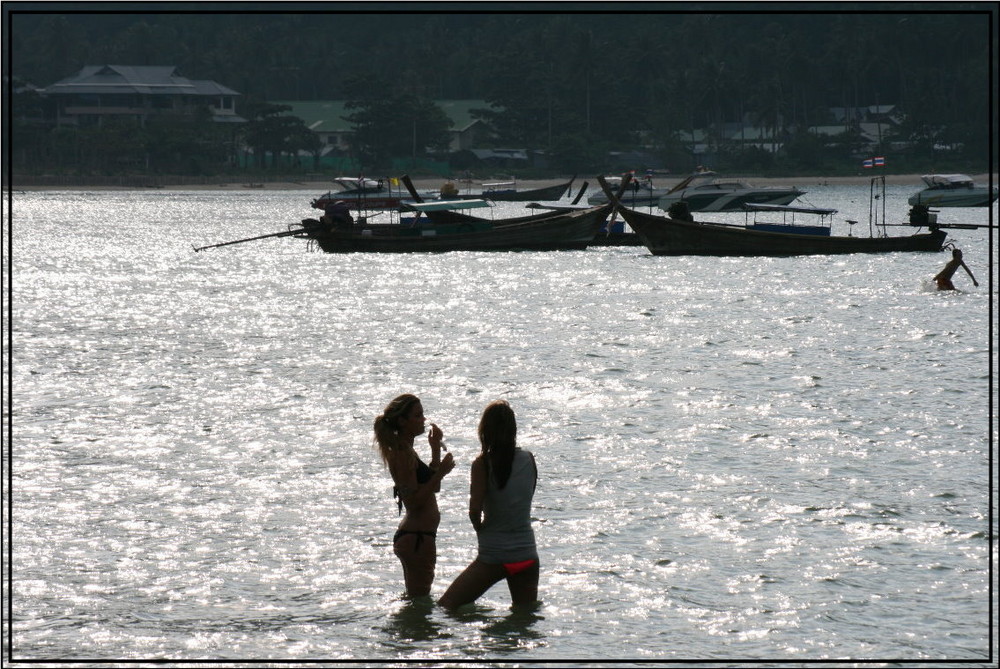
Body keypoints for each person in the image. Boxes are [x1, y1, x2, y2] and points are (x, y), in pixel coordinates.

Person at [439, 400, 539, 610]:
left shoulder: (482, 464)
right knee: (524, 617)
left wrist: (481, 530)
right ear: (513, 429)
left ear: (485, 431)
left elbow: (475, 511)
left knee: (447, 606)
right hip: (527, 554)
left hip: (494, 555)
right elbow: (525, 497)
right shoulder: (528, 459)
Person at [374, 394, 455, 598]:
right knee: (419, 602)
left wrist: (435, 449)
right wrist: (441, 473)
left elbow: (431, 488)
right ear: (402, 421)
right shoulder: (401, 454)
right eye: (418, 416)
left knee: (416, 601)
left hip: (419, 536)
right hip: (417, 538)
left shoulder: (408, 451)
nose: (424, 420)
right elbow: (413, 502)